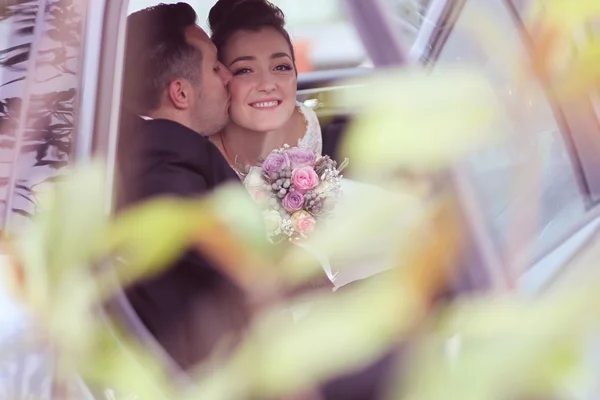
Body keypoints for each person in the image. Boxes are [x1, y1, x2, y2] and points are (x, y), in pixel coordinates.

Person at [115, 2, 250, 371]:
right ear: (181, 94)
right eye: (214, 66)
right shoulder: (160, 154)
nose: (228, 77)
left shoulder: (153, 146)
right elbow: (219, 252)